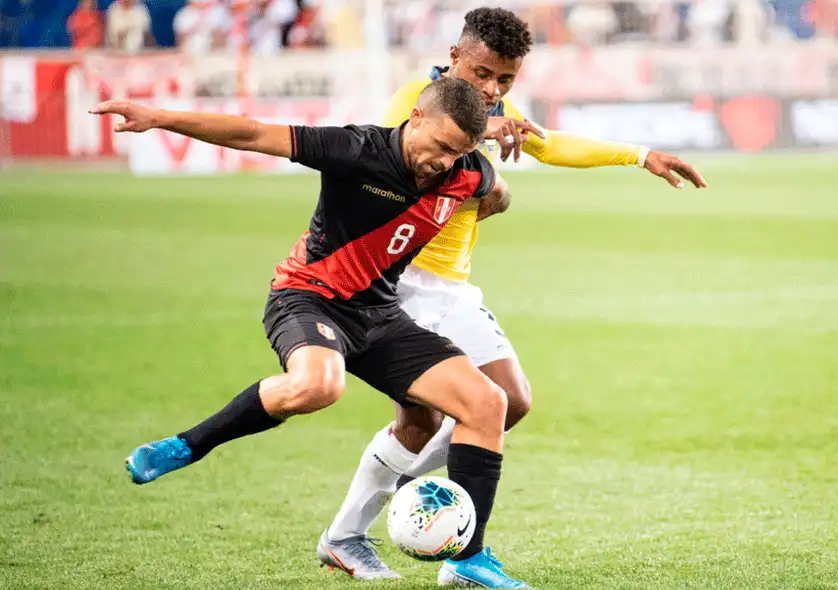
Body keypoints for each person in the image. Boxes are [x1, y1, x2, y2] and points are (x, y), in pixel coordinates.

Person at [89, 76, 531, 589]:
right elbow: (254, 134)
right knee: (319, 385)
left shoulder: (467, 172)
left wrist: (485, 186)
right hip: (307, 296)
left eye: (458, 153)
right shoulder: (356, 149)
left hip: (380, 313)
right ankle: (187, 445)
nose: (444, 162)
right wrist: (160, 117)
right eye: (439, 146)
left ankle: (468, 558)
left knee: (489, 403)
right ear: (415, 118)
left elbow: (495, 191)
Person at [322, 6, 707, 583]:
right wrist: (485, 142)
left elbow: (549, 144)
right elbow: (406, 165)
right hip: (393, 287)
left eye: (505, 81)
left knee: (511, 401)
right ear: (454, 58)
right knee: (421, 421)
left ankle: (443, 528)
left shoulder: (496, 110)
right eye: (482, 74)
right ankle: (350, 537)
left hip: (452, 288)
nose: (492, 89)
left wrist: (639, 155)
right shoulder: (415, 101)